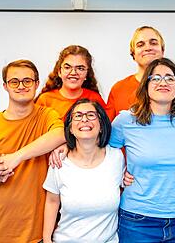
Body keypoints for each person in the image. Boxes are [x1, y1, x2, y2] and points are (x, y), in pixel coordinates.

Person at [0, 59, 66, 243]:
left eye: (27, 81)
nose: (21, 86)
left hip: (34, 233)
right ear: (5, 86)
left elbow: (60, 134)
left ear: (37, 84)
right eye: (14, 81)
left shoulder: (47, 116)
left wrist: (16, 157)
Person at [110, 57, 175, 242]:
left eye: (170, 78)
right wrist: (120, 173)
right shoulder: (126, 120)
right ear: (146, 85)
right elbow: (105, 152)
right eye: (156, 78)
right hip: (137, 219)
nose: (163, 82)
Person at [43, 99, 124, 243]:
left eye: (91, 115)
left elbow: (128, 183)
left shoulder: (116, 158)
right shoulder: (59, 161)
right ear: (70, 129)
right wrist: (47, 239)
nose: (84, 119)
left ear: (101, 126)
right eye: (78, 116)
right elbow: (52, 201)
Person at [106, 26, 175, 121]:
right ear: (133, 54)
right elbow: (107, 129)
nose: (148, 48)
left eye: (153, 43)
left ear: (162, 50)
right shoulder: (118, 89)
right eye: (140, 45)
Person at [36, 45, 106, 119]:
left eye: (80, 68)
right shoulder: (45, 100)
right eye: (67, 67)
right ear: (59, 71)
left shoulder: (95, 99)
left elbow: (104, 128)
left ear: (87, 74)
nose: (73, 73)